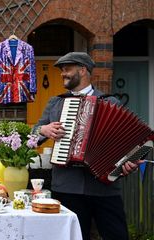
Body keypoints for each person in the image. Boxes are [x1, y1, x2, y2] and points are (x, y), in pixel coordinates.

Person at [32, 52, 143, 240]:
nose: (62, 74)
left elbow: (130, 141)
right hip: (67, 187)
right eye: (61, 70)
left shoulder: (110, 102)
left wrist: (129, 163)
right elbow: (32, 136)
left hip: (104, 187)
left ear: (83, 70)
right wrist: (43, 130)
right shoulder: (56, 103)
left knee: (117, 236)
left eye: (67, 69)